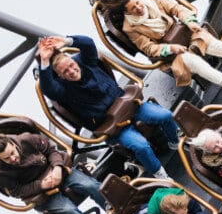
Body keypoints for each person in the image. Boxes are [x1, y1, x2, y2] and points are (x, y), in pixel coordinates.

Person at [37, 34, 178, 180]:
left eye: (72, 66)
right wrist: (45, 60)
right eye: (65, 72)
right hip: (113, 127)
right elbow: (48, 87)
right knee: (141, 146)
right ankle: (160, 174)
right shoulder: (63, 90)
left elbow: (88, 43)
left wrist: (66, 41)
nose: (72, 71)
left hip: (129, 106)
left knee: (165, 115)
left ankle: (176, 143)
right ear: (60, 76)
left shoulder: (86, 62)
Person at [119, 0, 222, 93]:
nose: (139, 8)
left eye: (137, 3)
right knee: (195, 63)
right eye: (133, 8)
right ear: (127, 12)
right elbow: (149, 48)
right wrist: (170, 48)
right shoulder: (130, 28)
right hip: (172, 54)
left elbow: (175, 8)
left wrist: (189, 21)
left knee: (208, 42)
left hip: (184, 34)